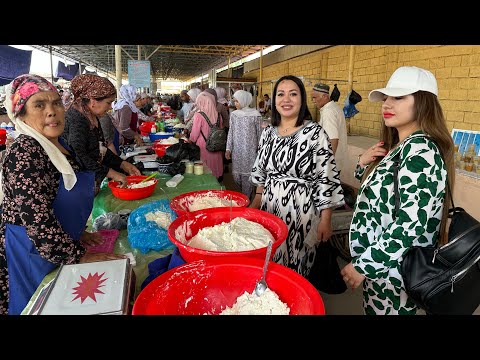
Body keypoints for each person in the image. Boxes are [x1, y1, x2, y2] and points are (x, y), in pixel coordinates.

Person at [0, 74, 125, 315]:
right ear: (21, 113)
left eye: (56, 103)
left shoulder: (57, 145)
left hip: (57, 245)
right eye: (39, 105)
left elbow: (54, 201)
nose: (51, 111)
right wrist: (77, 255)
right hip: (31, 252)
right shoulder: (25, 153)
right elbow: (38, 221)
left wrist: (76, 233)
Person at [340, 66, 455, 315]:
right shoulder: (401, 147)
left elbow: (411, 223)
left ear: (424, 103)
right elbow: (383, 197)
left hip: (394, 273)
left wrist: (364, 265)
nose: (386, 104)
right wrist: (362, 165)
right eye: (386, 97)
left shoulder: (421, 152)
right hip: (382, 270)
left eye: (398, 97)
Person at [250, 75, 345, 278]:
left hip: (302, 214)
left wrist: (325, 220)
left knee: (297, 266)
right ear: (274, 100)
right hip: (270, 208)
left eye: (293, 94)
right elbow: (261, 173)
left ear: (302, 99)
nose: (286, 100)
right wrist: (255, 203)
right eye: (281, 94)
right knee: (269, 260)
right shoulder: (268, 133)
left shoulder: (315, 133)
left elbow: (325, 177)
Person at [62, 74, 141, 194]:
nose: (110, 108)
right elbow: (79, 156)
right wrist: (111, 173)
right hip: (77, 186)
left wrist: (122, 164)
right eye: (108, 103)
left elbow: (99, 149)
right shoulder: (76, 119)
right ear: (93, 101)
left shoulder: (90, 115)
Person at [225, 90, 263, 199]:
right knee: (237, 178)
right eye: (235, 101)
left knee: (248, 181)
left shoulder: (256, 115)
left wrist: (260, 153)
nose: (235, 104)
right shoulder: (234, 115)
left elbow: (260, 135)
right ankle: (246, 198)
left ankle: (247, 203)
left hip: (250, 153)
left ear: (244, 100)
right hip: (237, 153)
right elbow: (231, 132)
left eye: (237, 101)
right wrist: (228, 149)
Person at [311, 83, 348, 180]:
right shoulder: (333, 107)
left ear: (325, 96)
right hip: (337, 161)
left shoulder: (328, 111)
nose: (313, 101)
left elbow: (333, 139)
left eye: (315, 97)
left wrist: (326, 164)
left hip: (330, 164)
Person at [188, 91, 224, 180]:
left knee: (206, 167)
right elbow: (220, 129)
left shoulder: (199, 115)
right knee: (216, 163)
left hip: (204, 146)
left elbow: (194, 135)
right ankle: (217, 180)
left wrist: (189, 141)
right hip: (216, 145)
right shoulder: (218, 115)